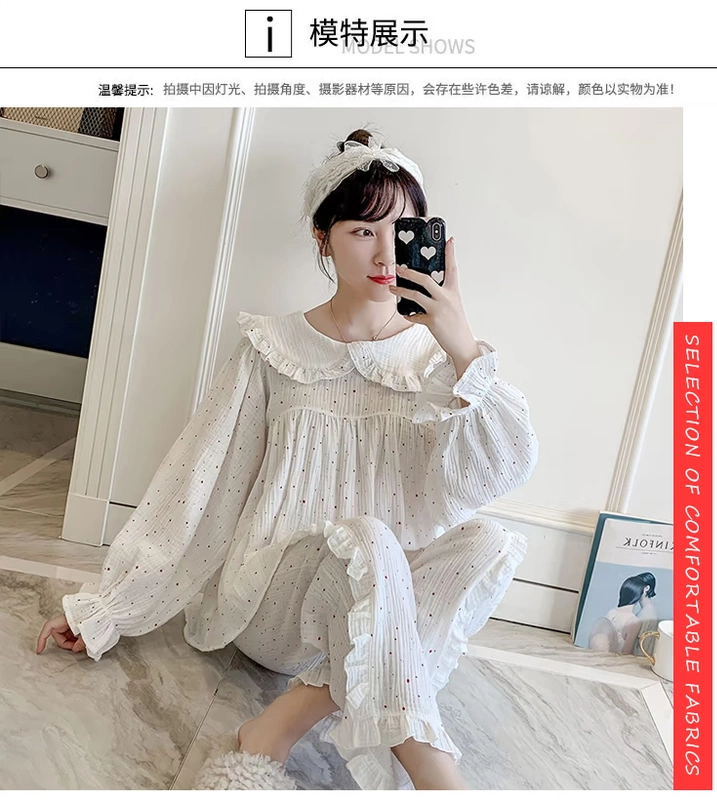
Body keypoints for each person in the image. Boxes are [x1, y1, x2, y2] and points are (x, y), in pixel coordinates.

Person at [36, 128, 539, 791]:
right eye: (362, 230)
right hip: (279, 605)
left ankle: (276, 726)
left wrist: (461, 344)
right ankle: (433, 772)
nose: (385, 251)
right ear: (322, 238)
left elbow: (503, 469)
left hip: (380, 606)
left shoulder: (439, 360)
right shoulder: (273, 348)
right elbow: (199, 487)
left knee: (489, 540)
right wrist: (109, 610)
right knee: (367, 538)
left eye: (403, 229)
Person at [587, 574, 648, 655]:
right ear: (638, 595)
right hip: (615, 659)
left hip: (601, 656)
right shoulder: (634, 622)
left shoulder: (612, 612)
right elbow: (626, 653)